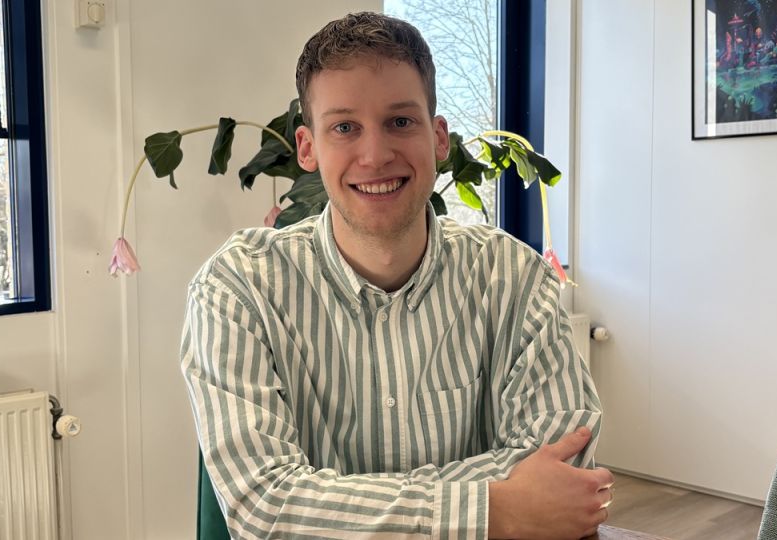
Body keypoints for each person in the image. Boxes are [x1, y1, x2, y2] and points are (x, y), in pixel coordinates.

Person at [181, 11, 612, 539]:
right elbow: (265, 505)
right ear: (308, 148)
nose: (375, 155)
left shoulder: (514, 278)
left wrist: (332, 506)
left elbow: (565, 460)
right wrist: (494, 510)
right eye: (345, 127)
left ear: (438, 138)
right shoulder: (238, 288)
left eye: (400, 122)